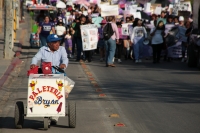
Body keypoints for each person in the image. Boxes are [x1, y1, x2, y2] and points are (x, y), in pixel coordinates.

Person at [30, 34, 68, 125]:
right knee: (39, 90)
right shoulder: (43, 49)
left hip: (58, 74)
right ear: (49, 44)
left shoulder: (62, 49)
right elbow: (35, 58)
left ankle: (55, 115)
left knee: (64, 91)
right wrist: (33, 64)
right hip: (45, 75)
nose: (57, 44)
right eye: (55, 42)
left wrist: (64, 64)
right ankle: (41, 108)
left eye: (58, 42)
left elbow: (65, 59)